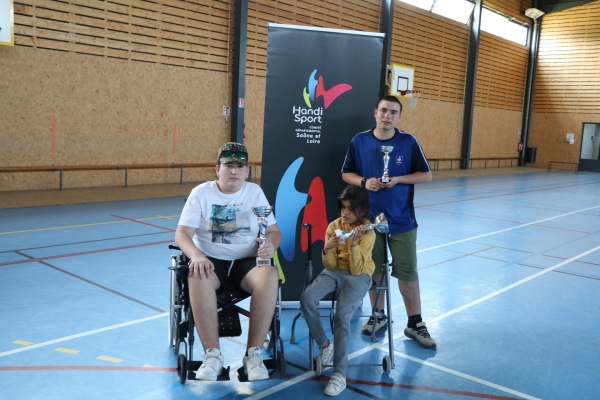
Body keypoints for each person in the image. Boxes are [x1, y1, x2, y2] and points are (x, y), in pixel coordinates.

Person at [174, 142, 282, 381]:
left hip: (247, 261)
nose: (234, 171)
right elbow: (182, 234)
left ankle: (253, 356)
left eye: (239, 166)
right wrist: (197, 256)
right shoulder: (201, 193)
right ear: (217, 169)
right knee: (197, 273)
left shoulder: (254, 193)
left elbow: (274, 231)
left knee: (270, 275)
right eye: (228, 165)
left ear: (246, 172)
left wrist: (271, 244)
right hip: (212, 261)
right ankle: (212, 356)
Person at [341, 95, 436, 349]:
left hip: (402, 221)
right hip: (368, 222)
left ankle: (415, 322)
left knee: (407, 273)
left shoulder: (408, 141)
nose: (387, 116)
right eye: (384, 111)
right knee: (374, 270)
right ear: (375, 113)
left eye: (393, 112)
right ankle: (378, 315)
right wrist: (363, 182)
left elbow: (426, 175)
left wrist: (398, 179)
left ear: (399, 116)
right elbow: (345, 172)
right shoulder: (359, 141)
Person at [300, 185, 375, 396]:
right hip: (334, 272)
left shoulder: (368, 232)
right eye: (343, 207)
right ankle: (325, 344)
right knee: (307, 299)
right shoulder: (335, 225)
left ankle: (340, 374)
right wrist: (327, 248)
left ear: (361, 210)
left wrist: (353, 244)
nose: (345, 213)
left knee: (342, 315)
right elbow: (330, 265)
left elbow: (357, 269)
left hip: (359, 275)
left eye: (350, 209)